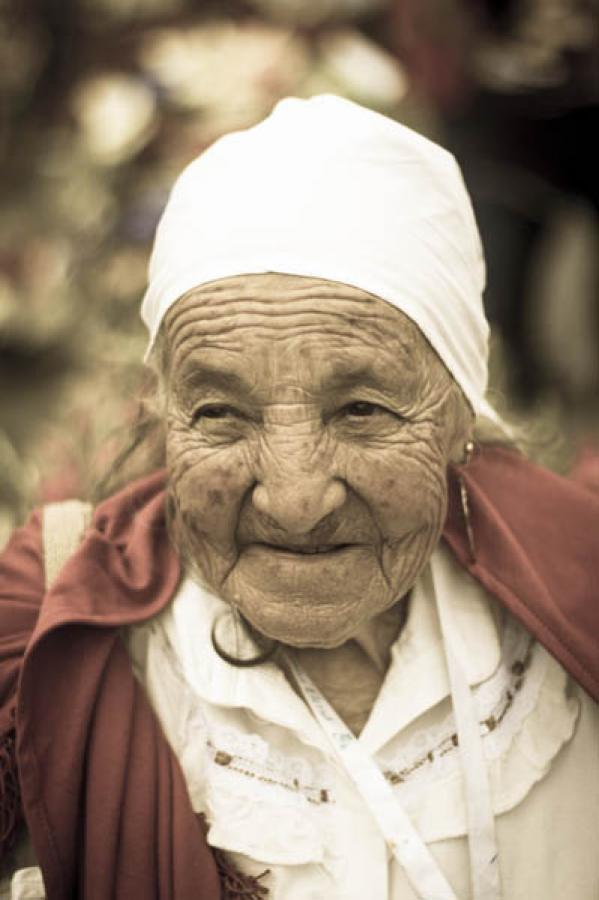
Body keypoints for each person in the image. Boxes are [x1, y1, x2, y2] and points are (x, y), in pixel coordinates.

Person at [0, 95, 597, 900]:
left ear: (462, 410)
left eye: (362, 409)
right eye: (219, 412)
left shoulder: (580, 599)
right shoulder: (42, 640)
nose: (293, 499)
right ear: (162, 412)